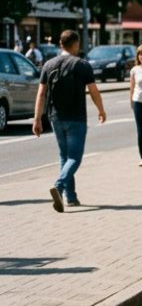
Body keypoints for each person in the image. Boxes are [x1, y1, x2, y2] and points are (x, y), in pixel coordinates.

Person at [32, 29, 106, 212]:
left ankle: (70, 197)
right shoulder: (82, 65)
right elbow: (93, 90)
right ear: (76, 44)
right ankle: (59, 186)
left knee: (64, 157)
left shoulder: (49, 65)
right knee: (74, 158)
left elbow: (41, 93)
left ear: (60, 45)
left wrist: (37, 120)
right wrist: (101, 110)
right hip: (76, 118)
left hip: (55, 117)